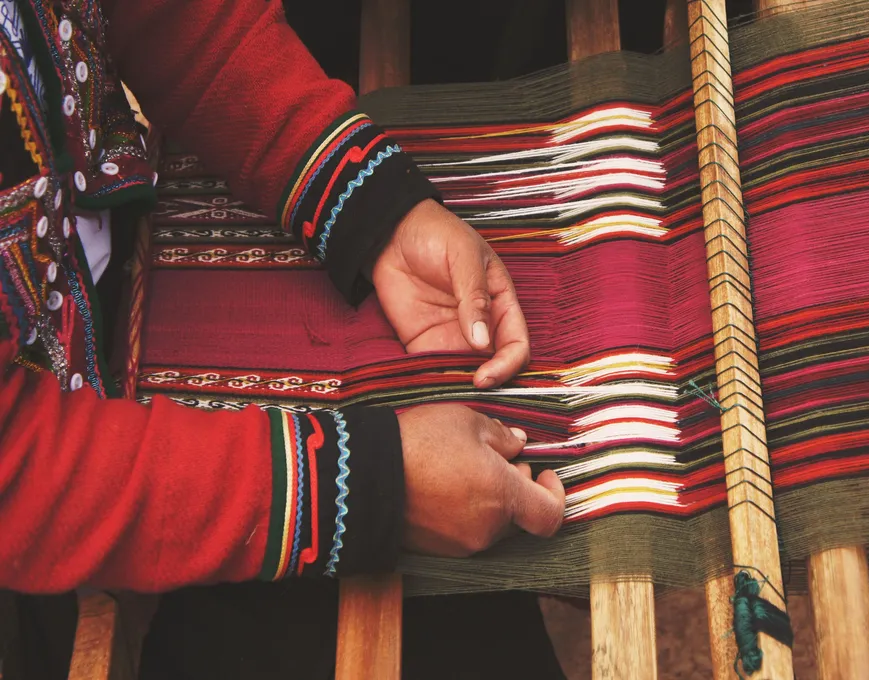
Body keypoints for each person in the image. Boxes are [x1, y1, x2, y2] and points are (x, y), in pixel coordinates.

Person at [0, 0, 566, 677]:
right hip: (64, 486)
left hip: (131, 257)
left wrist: (365, 204)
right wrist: (365, 488)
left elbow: (164, 17)